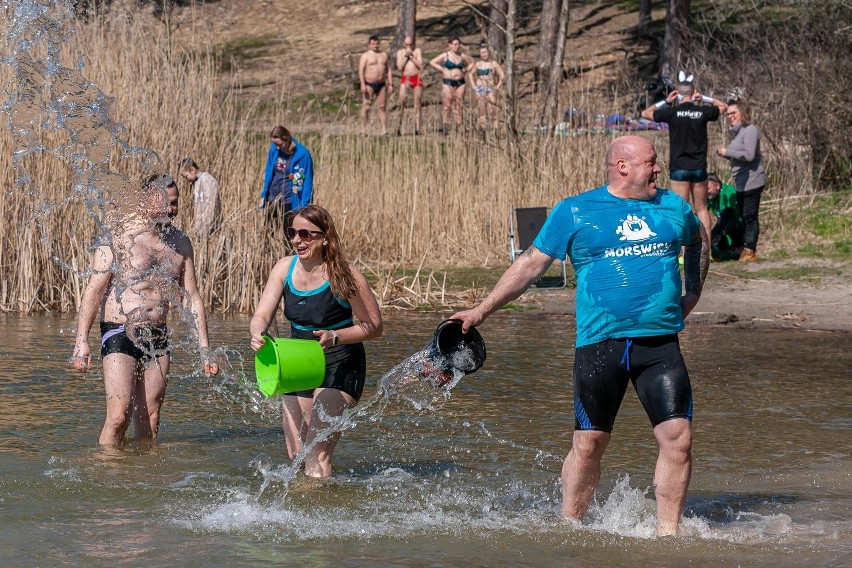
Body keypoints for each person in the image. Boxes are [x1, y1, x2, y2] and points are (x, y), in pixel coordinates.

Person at [451, 135, 709, 536]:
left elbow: (697, 242)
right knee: (589, 442)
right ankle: (570, 526)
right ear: (623, 166)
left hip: (659, 345)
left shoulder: (672, 207)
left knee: (679, 438)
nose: (659, 169)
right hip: (600, 345)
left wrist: (693, 291)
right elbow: (532, 264)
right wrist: (482, 309)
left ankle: (667, 536)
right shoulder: (575, 210)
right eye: (651, 163)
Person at [72, 174, 219, 446]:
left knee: (151, 419)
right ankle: (108, 477)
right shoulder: (118, 236)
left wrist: (205, 350)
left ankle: (144, 479)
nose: (174, 210)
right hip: (119, 332)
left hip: (157, 336)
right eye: (169, 203)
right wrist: (81, 340)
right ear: (147, 199)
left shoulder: (180, 243)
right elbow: (93, 291)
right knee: (118, 417)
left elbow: (193, 297)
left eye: (176, 203)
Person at [249, 205, 383, 478]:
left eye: (306, 234)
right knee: (297, 454)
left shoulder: (344, 275)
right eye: (292, 233)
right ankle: (318, 502)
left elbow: (374, 326)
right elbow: (262, 314)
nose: (297, 240)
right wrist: (258, 332)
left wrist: (336, 336)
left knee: (316, 455)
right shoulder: (284, 268)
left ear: (325, 238)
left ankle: (322, 516)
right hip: (296, 362)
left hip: (340, 362)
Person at [641, 71, 727, 242]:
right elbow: (723, 106)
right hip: (698, 167)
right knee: (701, 208)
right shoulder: (701, 111)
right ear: (693, 91)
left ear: (677, 93)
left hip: (679, 167)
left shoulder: (672, 113)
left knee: (681, 208)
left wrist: (666, 102)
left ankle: (683, 251)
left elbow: (645, 113)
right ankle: (706, 249)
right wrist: (704, 98)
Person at [716, 98, 766, 262]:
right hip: (741, 183)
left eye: (733, 113)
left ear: (742, 113)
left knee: (750, 217)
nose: (730, 116)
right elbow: (740, 158)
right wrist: (725, 155)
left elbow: (749, 155)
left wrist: (727, 152)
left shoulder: (750, 130)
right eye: (728, 114)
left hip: (752, 181)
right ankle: (744, 249)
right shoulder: (738, 134)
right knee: (744, 217)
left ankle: (750, 251)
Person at [259, 126, 314, 229]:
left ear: (287, 139)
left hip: (290, 200)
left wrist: (304, 205)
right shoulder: (274, 150)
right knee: (268, 233)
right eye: (275, 144)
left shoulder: (303, 154)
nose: (277, 147)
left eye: (280, 144)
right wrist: (264, 194)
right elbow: (268, 172)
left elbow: (308, 181)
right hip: (273, 198)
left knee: (288, 235)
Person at [429, 37, 474, 134]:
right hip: (448, 82)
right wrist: (441, 69)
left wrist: (466, 70)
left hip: (460, 82)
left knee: (459, 105)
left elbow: (472, 62)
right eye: (454, 44)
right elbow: (432, 62)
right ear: (449, 45)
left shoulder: (462, 56)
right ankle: (445, 126)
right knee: (447, 105)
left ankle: (459, 127)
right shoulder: (445, 55)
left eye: (458, 44)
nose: (457, 46)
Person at [358, 35, 394, 136]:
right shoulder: (365, 56)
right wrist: (362, 84)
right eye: (373, 44)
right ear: (369, 44)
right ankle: (363, 130)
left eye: (376, 43)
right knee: (366, 106)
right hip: (369, 83)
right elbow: (360, 71)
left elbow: (389, 70)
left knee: (382, 106)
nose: (375, 45)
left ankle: (384, 130)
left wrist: (391, 84)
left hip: (381, 83)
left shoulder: (384, 55)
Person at [179, 158, 221, 237]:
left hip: (207, 228)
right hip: (199, 228)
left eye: (186, 176)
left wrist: (205, 226)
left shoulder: (208, 181)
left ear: (192, 170)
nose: (186, 179)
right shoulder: (197, 183)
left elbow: (211, 205)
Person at [706, 173, 743, 261]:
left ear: (717, 186)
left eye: (707, 188)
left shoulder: (728, 191)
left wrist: (714, 234)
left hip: (737, 226)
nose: (706, 192)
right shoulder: (710, 196)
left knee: (727, 225)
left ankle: (740, 249)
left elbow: (727, 214)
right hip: (723, 225)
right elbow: (700, 213)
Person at [394, 35, 424, 136]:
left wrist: (412, 57)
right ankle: (398, 127)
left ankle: (417, 127)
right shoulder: (400, 52)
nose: (409, 46)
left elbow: (420, 65)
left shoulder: (417, 51)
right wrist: (406, 56)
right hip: (406, 78)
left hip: (416, 77)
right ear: (403, 44)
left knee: (417, 102)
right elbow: (399, 66)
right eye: (406, 44)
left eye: (410, 44)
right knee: (402, 102)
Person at [470, 45, 505, 129]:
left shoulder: (493, 63)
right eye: (482, 53)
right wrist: (473, 85)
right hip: (480, 88)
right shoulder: (477, 64)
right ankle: (483, 128)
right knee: (481, 109)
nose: (484, 54)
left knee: (492, 109)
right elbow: (470, 74)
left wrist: (498, 85)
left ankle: (495, 128)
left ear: (488, 53)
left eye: (485, 52)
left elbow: (502, 75)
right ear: (480, 54)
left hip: (490, 87)